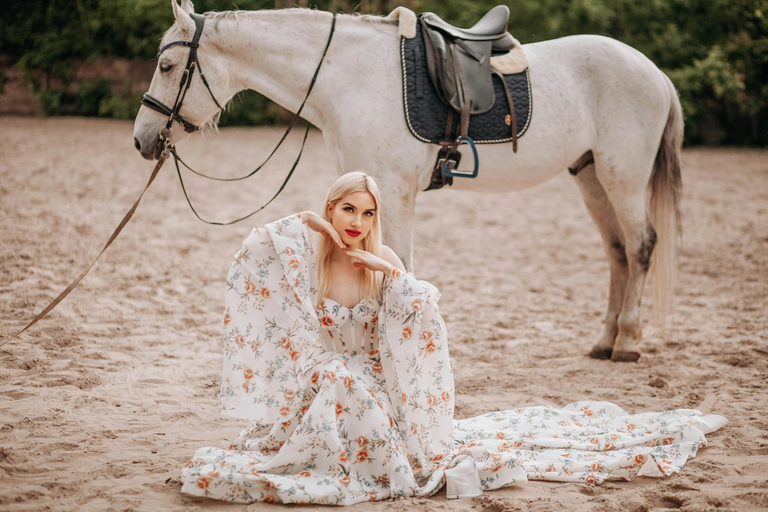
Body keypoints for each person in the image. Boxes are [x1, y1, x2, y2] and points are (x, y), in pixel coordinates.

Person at [180, 172, 726, 505]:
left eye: (368, 212)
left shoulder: (383, 259)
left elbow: (424, 324)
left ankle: (383, 459)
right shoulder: (311, 257)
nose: (357, 220)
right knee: (331, 371)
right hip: (322, 387)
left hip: (373, 387)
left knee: (349, 373)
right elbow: (255, 254)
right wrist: (305, 222)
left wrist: (390, 272)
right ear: (331, 209)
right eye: (347, 209)